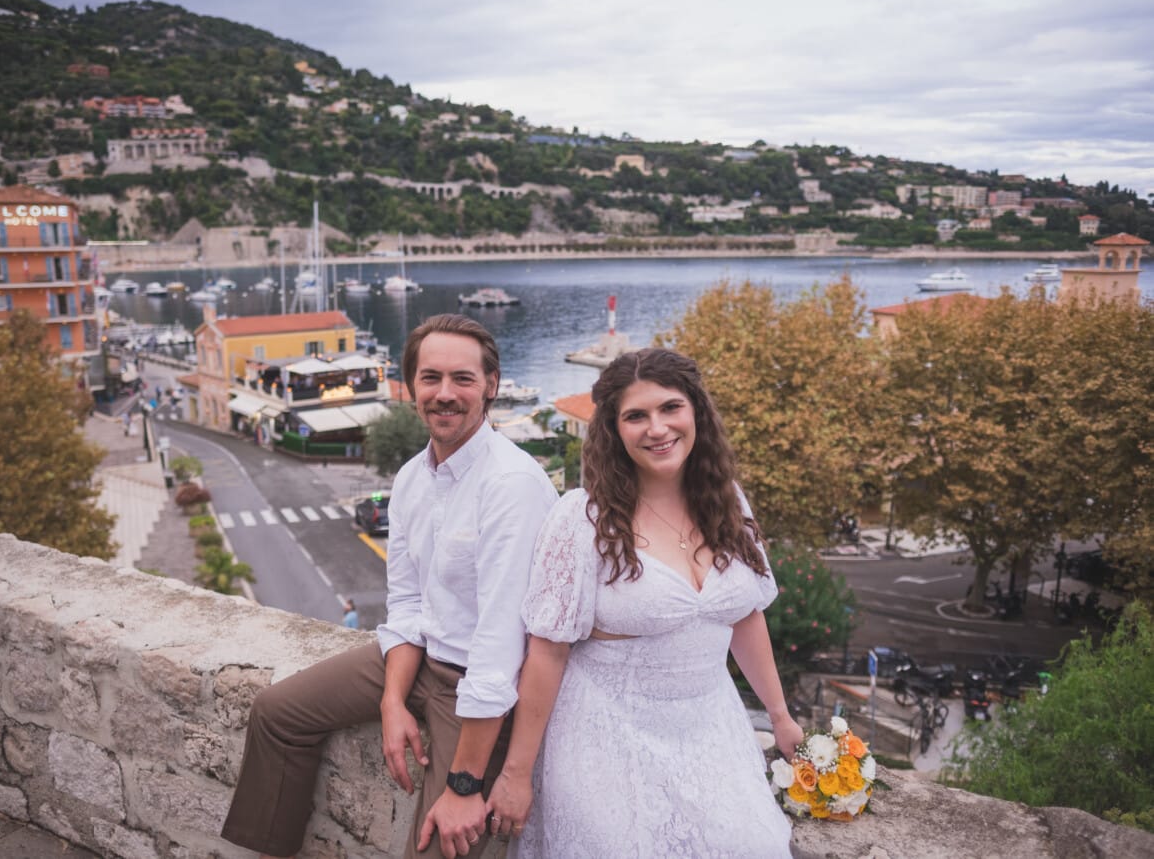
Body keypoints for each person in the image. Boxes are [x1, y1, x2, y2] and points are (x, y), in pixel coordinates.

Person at [221, 314, 558, 859]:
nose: (444, 394)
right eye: (430, 378)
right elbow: (406, 603)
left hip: (477, 688)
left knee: (442, 844)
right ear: (411, 386)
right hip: (421, 658)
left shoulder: (511, 485)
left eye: (463, 379)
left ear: (491, 386)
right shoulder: (411, 478)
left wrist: (464, 786)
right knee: (277, 715)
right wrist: (392, 701)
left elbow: (500, 651)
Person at [486, 348, 802, 858]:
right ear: (615, 431)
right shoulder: (582, 521)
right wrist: (516, 774)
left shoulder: (727, 501)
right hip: (604, 744)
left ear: (696, 412)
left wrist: (781, 716)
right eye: (636, 416)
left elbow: (744, 617)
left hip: (713, 736)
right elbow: (546, 652)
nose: (657, 428)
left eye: (670, 407)